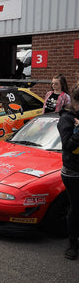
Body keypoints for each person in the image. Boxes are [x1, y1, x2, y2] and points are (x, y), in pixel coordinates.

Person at [58, 86, 79, 259]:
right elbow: (68, 145)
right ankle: (73, 244)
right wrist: (78, 131)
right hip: (73, 172)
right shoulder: (67, 119)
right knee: (76, 208)